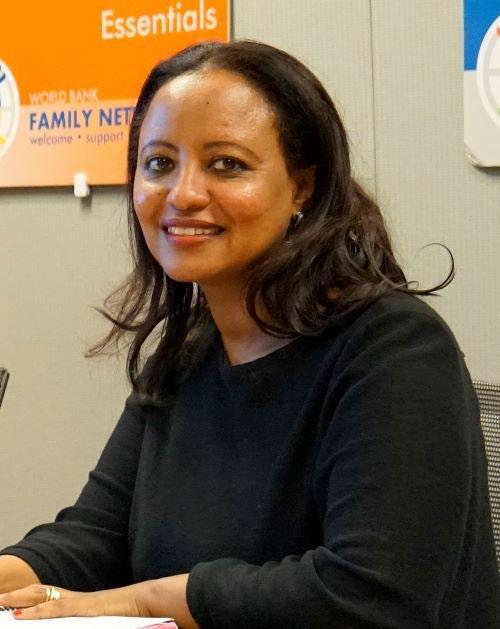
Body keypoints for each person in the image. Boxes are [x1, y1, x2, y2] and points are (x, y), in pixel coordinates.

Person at [0, 40, 498, 628]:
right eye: (159, 164)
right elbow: (96, 537)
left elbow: (373, 596)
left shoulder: (396, 348)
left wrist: (145, 599)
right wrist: (14, 574)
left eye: (227, 164)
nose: (184, 193)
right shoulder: (187, 356)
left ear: (303, 187)